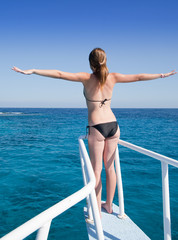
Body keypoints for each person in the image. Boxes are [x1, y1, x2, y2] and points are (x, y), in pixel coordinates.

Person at [12, 47, 176, 216]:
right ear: (105, 60)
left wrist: (32, 71)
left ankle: (97, 208)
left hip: (97, 127)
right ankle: (109, 205)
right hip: (113, 126)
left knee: (96, 170)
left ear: (91, 63)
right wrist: (162, 75)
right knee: (110, 168)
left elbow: (59, 74)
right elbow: (140, 77)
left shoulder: (86, 78)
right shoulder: (113, 78)